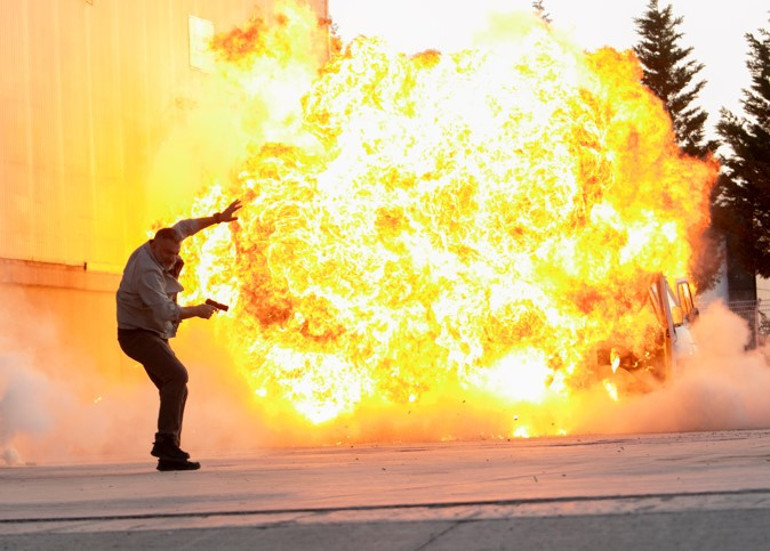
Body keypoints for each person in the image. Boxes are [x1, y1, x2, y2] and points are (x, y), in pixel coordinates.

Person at [116, 199, 242, 471]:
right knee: (178, 376)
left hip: (152, 334)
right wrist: (196, 310)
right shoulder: (147, 271)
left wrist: (218, 218)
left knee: (175, 387)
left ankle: (169, 454)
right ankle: (165, 443)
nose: (171, 259)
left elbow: (186, 226)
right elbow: (163, 311)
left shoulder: (169, 242)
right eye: (166, 254)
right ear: (154, 245)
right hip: (137, 335)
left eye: (175, 253)